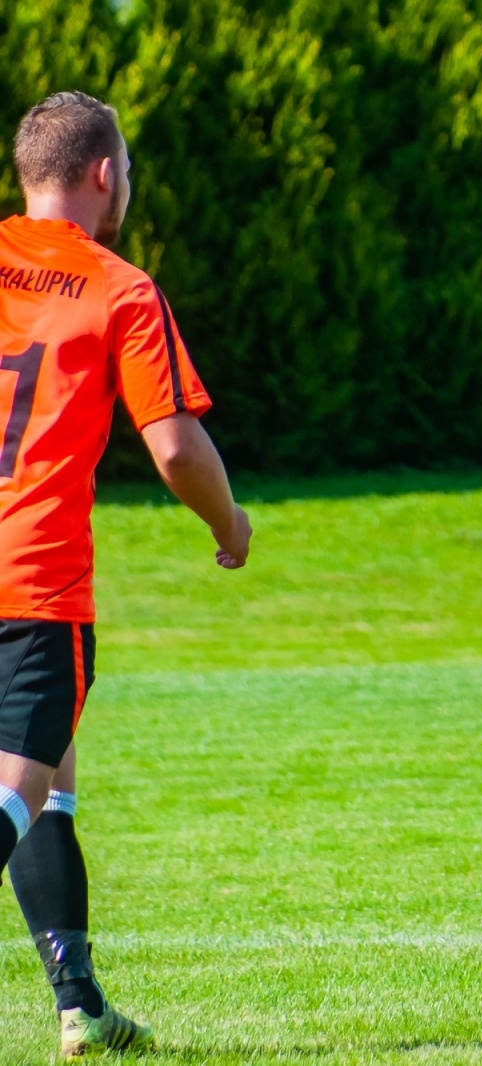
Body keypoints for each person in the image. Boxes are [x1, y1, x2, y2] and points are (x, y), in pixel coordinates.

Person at [0, 91, 252, 1055]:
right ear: (105, 173)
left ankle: (81, 1005)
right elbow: (177, 447)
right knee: (16, 796)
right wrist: (230, 524)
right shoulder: (120, 287)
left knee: (51, 787)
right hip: (34, 587)